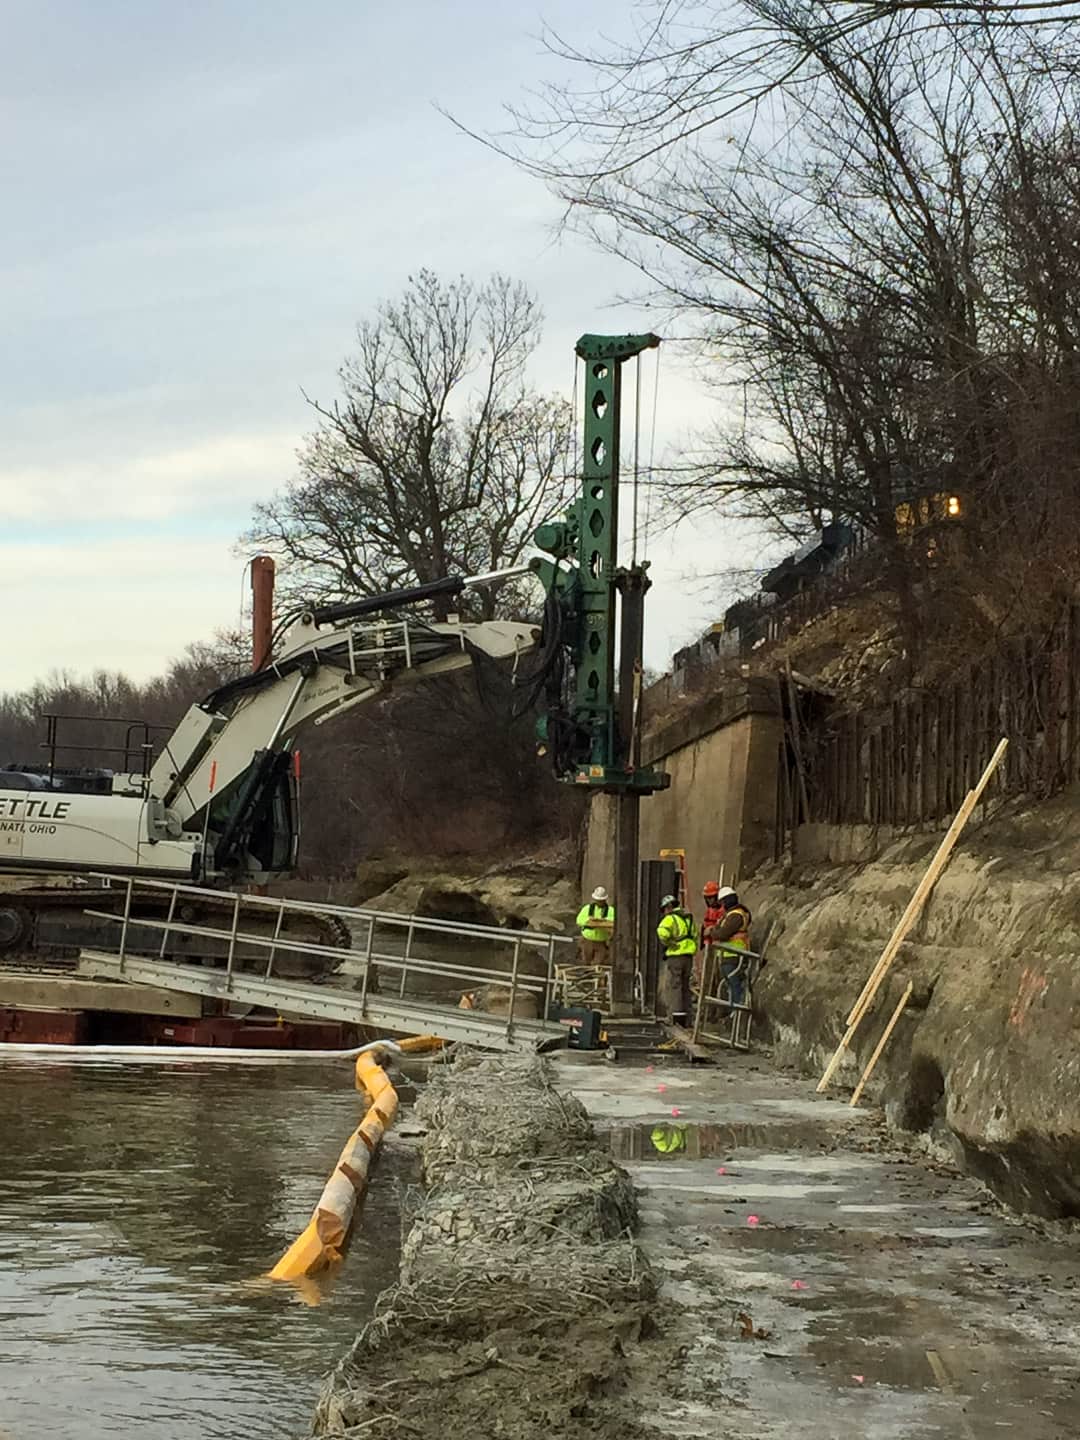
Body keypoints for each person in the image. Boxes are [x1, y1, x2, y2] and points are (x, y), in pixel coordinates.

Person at [706, 886, 753, 1009]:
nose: (721, 906)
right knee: (730, 986)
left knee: (734, 985)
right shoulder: (731, 914)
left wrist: (711, 932)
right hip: (728, 956)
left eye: (722, 902)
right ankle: (733, 1012)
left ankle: (737, 1012)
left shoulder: (735, 915)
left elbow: (723, 934)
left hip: (733, 956)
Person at [657, 893, 698, 1026]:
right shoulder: (688, 918)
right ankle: (688, 1019)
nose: (664, 913)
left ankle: (675, 1018)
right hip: (688, 956)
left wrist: (669, 943)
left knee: (674, 986)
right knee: (685, 987)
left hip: (676, 956)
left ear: (668, 907)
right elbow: (695, 935)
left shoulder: (670, 919)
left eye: (664, 909)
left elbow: (662, 932)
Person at [575, 886, 615, 964]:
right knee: (586, 962)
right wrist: (590, 922)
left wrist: (602, 921)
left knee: (599, 963)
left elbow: (613, 921)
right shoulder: (587, 909)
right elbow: (579, 920)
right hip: (587, 940)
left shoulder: (611, 910)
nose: (599, 902)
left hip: (601, 942)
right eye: (598, 900)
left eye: (601, 900)